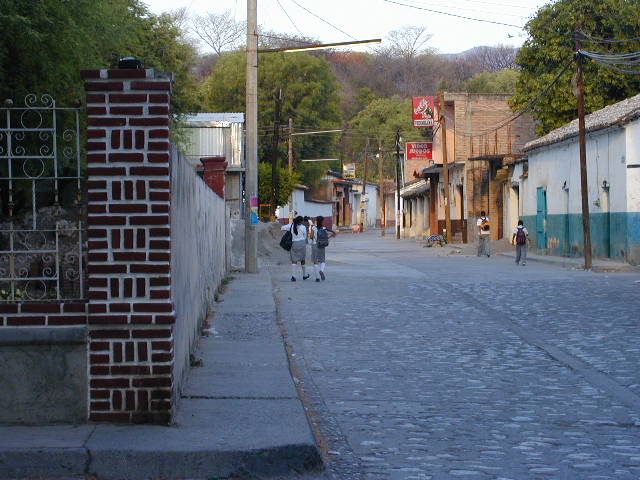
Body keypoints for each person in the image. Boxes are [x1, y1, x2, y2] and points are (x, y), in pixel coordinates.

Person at [281, 216, 310, 281]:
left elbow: (282, 228)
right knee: (302, 260)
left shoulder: (291, 225)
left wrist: (288, 232)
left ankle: (293, 276)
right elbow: (305, 236)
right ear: (300, 221)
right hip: (302, 244)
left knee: (294, 260)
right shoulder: (303, 227)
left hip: (294, 244)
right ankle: (304, 275)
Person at [308, 215, 336, 282]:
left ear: (316, 221)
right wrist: (331, 236)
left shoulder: (313, 228)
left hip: (315, 245)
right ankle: (321, 270)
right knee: (322, 260)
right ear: (322, 221)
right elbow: (326, 238)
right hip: (322, 245)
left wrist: (313, 236)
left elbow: (311, 237)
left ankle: (317, 278)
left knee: (316, 261)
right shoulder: (324, 228)